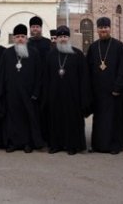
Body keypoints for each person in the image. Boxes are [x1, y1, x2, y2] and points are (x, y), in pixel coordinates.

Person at [0, 24, 44, 153]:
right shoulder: (7, 53)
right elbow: (1, 74)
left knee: (27, 118)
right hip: (11, 93)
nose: (20, 39)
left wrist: (36, 92)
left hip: (28, 94)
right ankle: (12, 143)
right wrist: (2, 91)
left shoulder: (33, 53)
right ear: (14, 39)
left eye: (23, 36)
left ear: (26, 38)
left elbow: (39, 75)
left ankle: (27, 143)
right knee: (12, 119)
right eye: (17, 37)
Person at [44, 25, 90, 155]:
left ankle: (73, 146)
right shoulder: (50, 55)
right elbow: (45, 77)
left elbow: (84, 77)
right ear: (56, 39)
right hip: (55, 95)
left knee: (72, 121)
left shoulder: (78, 54)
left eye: (65, 36)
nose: (63, 39)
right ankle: (56, 145)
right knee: (55, 120)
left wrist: (83, 96)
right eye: (60, 37)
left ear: (68, 38)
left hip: (73, 96)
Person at [87, 17, 123, 154]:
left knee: (114, 118)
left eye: (106, 27)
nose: (103, 30)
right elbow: (89, 69)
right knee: (98, 118)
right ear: (97, 29)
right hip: (98, 90)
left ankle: (114, 145)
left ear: (110, 28)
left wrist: (118, 87)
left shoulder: (119, 46)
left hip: (113, 90)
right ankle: (98, 145)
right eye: (101, 27)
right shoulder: (93, 47)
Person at [27, 15, 52, 143]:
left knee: (44, 111)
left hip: (45, 82)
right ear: (30, 29)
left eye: (37, 27)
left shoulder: (48, 43)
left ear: (41, 29)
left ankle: (45, 138)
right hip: (30, 84)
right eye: (33, 27)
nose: (35, 29)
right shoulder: (26, 43)